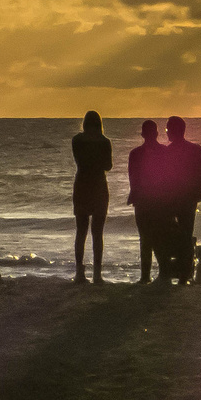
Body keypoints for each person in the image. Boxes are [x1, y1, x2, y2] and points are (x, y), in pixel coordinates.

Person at [164, 116, 201, 284]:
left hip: (174, 199)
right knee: (185, 235)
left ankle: (179, 273)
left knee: (174, 235)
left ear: (174, 131)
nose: (166, 133)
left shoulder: (169, 151)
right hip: (187, 198)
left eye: (168, 130)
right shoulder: (195, 149)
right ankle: (184, 273)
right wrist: (198, 185)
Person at [71, 111, 113, 285]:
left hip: (82, 185)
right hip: (98, 186)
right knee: (97, 233)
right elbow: (108, 166)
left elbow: (79, 161)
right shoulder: (105, 142)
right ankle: (97, 274)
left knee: (81, 231)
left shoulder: (77, 141)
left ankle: (80, 272)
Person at [126, 120, 170, 283]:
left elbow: (133, 178)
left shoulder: (135, 153)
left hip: (143, 200)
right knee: (160, 237)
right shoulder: (165, 152)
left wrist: (135, 195)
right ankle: (163, 273)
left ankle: (145, 276)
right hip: (160, 200)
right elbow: (168, 177)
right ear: (157, 134)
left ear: (143, 134)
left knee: (145, 238)